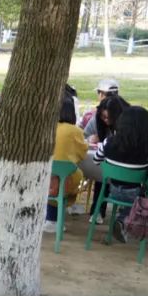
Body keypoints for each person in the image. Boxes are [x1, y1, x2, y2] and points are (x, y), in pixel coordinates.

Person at [92, 105, 148, 242]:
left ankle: (123, 220)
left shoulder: (108, 142)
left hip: (113, 191)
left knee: (144, 196)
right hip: (137, 195)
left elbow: (96, 160)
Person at [45, 98, 88, 232]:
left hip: (44, 174)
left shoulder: (46, 127)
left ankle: (50, 217)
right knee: (73, 175)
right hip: (65, 177)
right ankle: (57, 216)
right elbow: (82, 154)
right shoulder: (75, 131)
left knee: (55, 179)